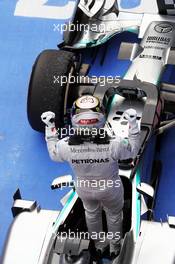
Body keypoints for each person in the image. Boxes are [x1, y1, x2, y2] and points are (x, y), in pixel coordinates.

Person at [41, 95, 140, 258]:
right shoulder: (115, 143)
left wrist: (49, 126)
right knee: (114, 216)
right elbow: (133, 149)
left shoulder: (65, 145)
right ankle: (115, 247)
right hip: (111, 189)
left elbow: (53, 154)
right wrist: (133, 124)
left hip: (85, 189)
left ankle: (100, 245)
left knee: (91, 214)